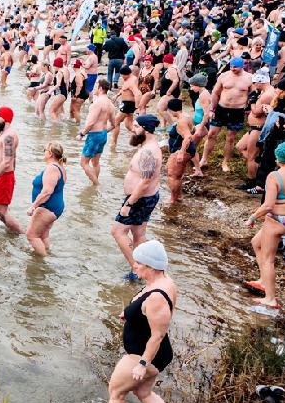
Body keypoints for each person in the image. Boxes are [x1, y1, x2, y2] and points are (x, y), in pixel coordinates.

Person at [107, 240, 180, 403]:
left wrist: (142, 364)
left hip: (145, 354)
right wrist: (130, 314)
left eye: (138, 262)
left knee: (116, 392)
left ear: (151, 266)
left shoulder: (157, 296)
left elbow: (157, 335)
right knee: (144, 392)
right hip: (153, 352)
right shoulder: (162, 281)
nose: (134, 265)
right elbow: (145, 307)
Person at [245, 142, 285, 309]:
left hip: (277, 219)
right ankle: (263, 280)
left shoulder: (274, 176)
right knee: (256, 243)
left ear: (278, 157)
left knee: (268, 260)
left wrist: (252, 217)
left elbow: (268, 205)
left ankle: (270, 299)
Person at [113, 115, 163, 280]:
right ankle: (146, 268)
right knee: (138, 233)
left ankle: (136, 269)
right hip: (146, 197)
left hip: (139, 198)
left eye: (136, 126)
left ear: (146, 129)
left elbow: (145, 182)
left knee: (118, 232)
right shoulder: (148, 146)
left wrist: (129, 203)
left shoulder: (148, 151)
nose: (132, 129)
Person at [199, 57, 252, 174]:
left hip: (237, 110)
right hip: (221, 108)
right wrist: (212, 109)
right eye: (231, 66)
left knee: (230, 138)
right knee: (211, 134)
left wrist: (249, 110)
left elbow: (252, 95)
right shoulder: (224, 76)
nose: (233, 69)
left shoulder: (249, 78)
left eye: (235, 67)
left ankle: (225, 162)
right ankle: (204, 159)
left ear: (242, 66)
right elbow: (215, 93)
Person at [26, 143, 67, 257]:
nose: (44, 152)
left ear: (50, 154)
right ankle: (46, 254)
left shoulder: (52, 168)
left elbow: (47, 192)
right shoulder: (60, 167)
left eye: (45, 150)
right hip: (55, 207)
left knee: (31, 235)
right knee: (43, 235)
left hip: (47, 208)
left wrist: (33, 206)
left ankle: (43, 263)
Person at [78, 79, 115, 186]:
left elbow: (91, 123)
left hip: (94, 135)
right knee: (95, 162)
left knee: (83, 163)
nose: (94, 89)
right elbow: (113, 124)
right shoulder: (110, 104)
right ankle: (93, 185)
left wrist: (82, 134)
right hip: (103, 134)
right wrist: (103, 132)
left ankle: (97, 184)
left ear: (100, 88)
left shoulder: (97, 103)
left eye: (96, 87)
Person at [165, 98, 196, 204]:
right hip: (187, 149)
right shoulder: (187, 116)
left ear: (171, 110)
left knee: (173, 176)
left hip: (180, 150)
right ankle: (178, 197)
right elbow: (193, 132)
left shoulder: (181, 121)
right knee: (177, 175)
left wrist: (181, 152)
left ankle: (173, 200)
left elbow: (187, 137)